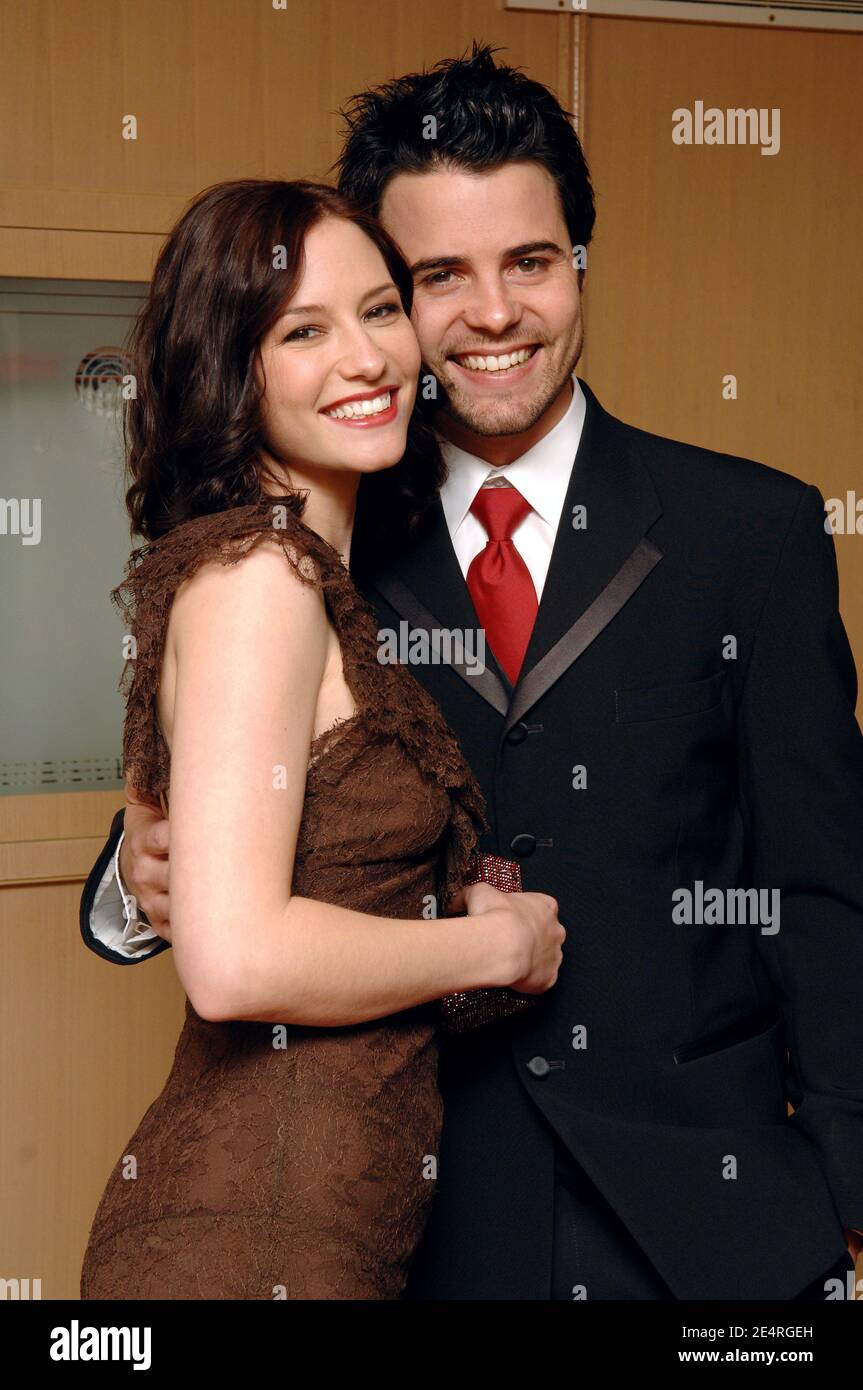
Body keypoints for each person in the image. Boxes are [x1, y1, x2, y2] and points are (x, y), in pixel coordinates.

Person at [82, 47, 863, 1301]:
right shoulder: (316, 543)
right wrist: (140, 863)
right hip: (413, 1219)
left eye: (530, 263)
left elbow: (823, 893)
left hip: (711, 1220)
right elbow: (227, 832)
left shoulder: (750, 533)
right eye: (437, 276)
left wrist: (845, 1194)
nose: (493, 315)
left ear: (578, 265)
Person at [78, 176, 564, 1301]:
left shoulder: (300, 567)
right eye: (304, 330)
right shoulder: (262, 580)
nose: (368, 357)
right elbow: (236, 957)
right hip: (255, 1232)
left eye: (381, 310)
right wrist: (493, 947)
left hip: (325, 1216)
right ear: (230, 370)